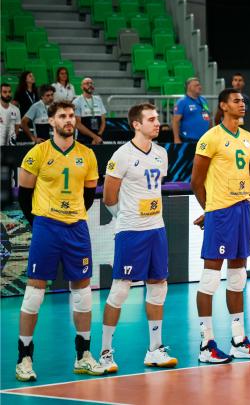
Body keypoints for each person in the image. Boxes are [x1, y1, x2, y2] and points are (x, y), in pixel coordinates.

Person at [15, 101, 103, 382]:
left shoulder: (87, 155)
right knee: (34, 292)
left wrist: (72, 214)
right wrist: (41, 223)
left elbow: (89, 195)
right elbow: (24, 195)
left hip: (76, 228)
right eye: (62, 116)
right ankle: (24, 358)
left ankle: (84, 356)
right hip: (46, 227)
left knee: (83, 290)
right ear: (50, 121)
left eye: (71, 116)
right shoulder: (37, 153)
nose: (68, 120)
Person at [98, 103, 177, 372]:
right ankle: (105, 352)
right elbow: (109, 197)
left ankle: (154, 349)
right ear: (136, 124)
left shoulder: (162, 154)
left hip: (157, 229)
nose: (158, 123)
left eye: (158, 119)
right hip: (131, 231)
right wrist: (127, 216)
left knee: (158, 285)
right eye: (152, 119)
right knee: (120, 289)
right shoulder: (121, 156)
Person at [191, 88, 250, 363]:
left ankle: (238, 340)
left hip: (242, 210)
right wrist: (210, 211)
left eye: (243, 100)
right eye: (236, 101)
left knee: (238, 277)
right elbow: (196, 181)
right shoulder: (211, 137)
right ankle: (205, 344)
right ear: (223, 106)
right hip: (221, 213)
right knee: (211, 278)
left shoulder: (249, 139)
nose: (242, 104)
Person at [172, 78, 211, 143]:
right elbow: (175, 121)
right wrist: (176, 138)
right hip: (189, 139)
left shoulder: (203, 100)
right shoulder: (182, 102)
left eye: (199, 85)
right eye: (196, 85)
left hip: (205, 139)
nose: (200, 87)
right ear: (189, 87)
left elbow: (208, 117)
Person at [73, 78, 106, 145]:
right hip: (83, 139)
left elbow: (103, 121)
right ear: (82, 87)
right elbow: (78, 124)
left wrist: (98, 136)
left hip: (98, 139)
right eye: (87, 83)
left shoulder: (98, 99)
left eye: (91, 83)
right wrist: (95, 137)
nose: (90, 85)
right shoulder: (77, 101)